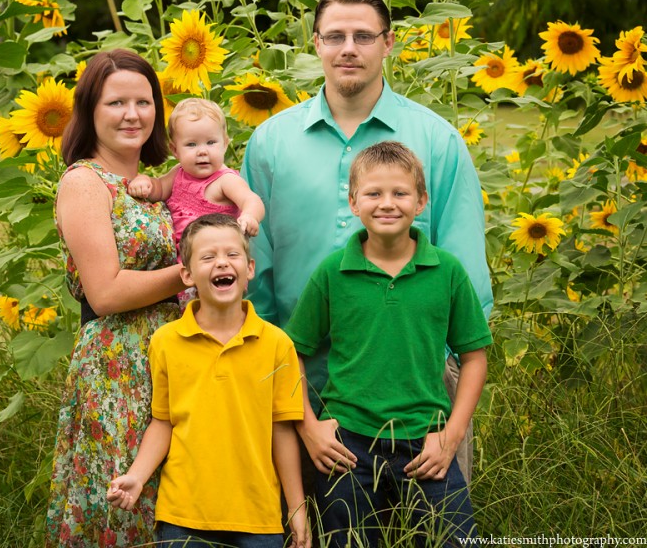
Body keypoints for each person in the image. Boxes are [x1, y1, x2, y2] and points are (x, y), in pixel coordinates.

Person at [240, 0, 492, 484]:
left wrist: (440, 413)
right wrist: (280, 388)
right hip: (298, 377)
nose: (348, 48)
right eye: (335, 36)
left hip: (417, 392)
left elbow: (465, 274)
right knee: (314, 525)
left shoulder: (435, 141)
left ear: (388, 43)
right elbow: (255, 265)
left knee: (433, 531)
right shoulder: (271, 143)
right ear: (315, 44)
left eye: (363, 35)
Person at [285, 142, 491, 547]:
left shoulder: (446, 271)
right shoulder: (333, 272)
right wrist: (309, 427)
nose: (387, 204)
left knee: (453, 540)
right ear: (353, 202)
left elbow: (474, 358)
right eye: (373, 194)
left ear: (421, 202)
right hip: (348, 445)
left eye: (400, 193)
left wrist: (450, 436)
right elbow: (291, 353)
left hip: (426, 444)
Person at [46, 49, 186, 547]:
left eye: (144, 102)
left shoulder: (168, 178)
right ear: (90, 111)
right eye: (116, 103)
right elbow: (104, 292)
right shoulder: (85, 182)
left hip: (182, 353)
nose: (133, 114)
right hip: (119, 364)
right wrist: (190, 273)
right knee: (126, 503)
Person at [107, 214, 310, 548]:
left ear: (250, 269)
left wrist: (297, 507)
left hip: (258, 519)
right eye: (207, 257)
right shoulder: (166, 341)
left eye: (232, 255)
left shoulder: (277, 344)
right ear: (187, 275)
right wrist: (137, 476)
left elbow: (282, 430)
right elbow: (163, 421)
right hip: (182, 517)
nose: (221, 263)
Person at [127, 97, 265, 246]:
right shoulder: (179, 173)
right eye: (192, 144)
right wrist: (145, 182)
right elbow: (159, 189)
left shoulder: (225, 181)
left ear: (225, 144)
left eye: (211, 142)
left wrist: (250, 216)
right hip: (181, 258)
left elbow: (250, 199)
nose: (202, 151)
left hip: (215, 253)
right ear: (175, 150)